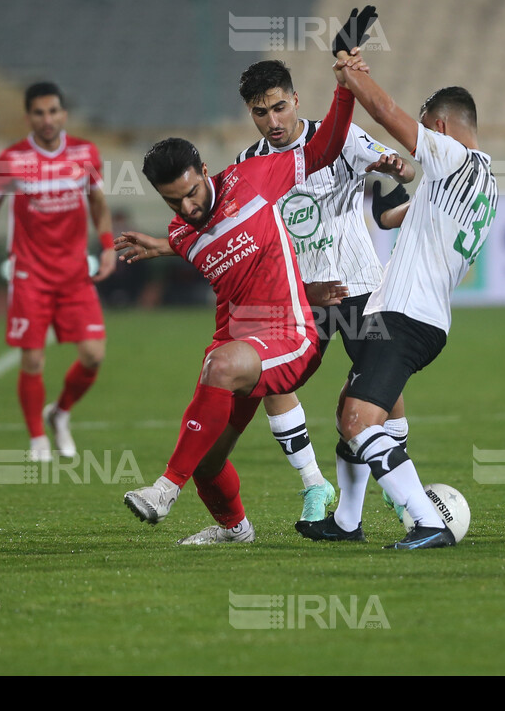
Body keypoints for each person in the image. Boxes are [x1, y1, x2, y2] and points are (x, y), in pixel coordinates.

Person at [117, 49, 361, 545]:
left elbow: (327, 147)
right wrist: (163, 246)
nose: (187, 206)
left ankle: (164, 491)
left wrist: (345, 86)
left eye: (191, 192)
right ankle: (235, 530)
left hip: (289, 337)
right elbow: (216, 248)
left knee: (221, 367)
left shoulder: (253, 178)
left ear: (204, 170)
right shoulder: (182, 233)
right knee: (207, 458)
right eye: (173, 201)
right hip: (239, 345)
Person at [298, 60, 499, 550]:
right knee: (351, 406)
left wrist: (349, 74)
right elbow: (391, 219)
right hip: (417, 317)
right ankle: (346, 521)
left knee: (358, 421)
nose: (425, 138)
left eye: (428, 126)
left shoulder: (453, 158)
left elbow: (387, 111)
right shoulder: (483, 186)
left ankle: (428, 520)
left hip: (405, 316)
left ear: (443, 127)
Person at [232, 56, 415, 527]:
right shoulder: (246, 166)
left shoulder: (338, 134)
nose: (272, 121)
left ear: (295, 100)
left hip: (356, 285)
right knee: (270, 379)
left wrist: (393, 166)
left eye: (278, 107)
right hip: (299, 294)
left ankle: (398, 483)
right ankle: (315, 484)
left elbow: (404, 173)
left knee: (380, 387)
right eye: (260, 113)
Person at [0, 82, 115, 463]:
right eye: (39, 112)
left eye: (53, 111)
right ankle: (37, 439)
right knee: (33, 360)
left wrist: (109, 245)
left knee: (93, 355)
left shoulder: (85, 153)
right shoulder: (12, 160)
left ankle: (60, 412)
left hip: (74, 272)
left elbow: (98, 203)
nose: (47, 119)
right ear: (28, 116)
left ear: (64, 114)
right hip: (29, 273)